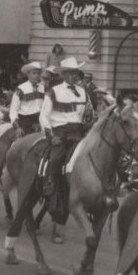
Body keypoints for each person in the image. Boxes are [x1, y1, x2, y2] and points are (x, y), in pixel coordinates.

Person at [39, 57, 96, 219]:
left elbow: (89, 113)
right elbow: (44, 117)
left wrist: (89, 120)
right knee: (56, 159)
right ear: (63, 74)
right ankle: (51, 185)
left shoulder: (83, 92)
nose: (74, 76)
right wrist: (51, 137)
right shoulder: (54, 91)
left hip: (79, 132)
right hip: (60, 133)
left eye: (76, 73)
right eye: (70, 73)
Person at [0, 62, 46, 191]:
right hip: (24, 121)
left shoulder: (44, 88)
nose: (37, 76)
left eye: (38, 73)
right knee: (7, 146)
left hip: (39, 120)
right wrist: (17, 126)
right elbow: (13, 110)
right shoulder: (21, 89)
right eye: (34, 73)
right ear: (28, 75)